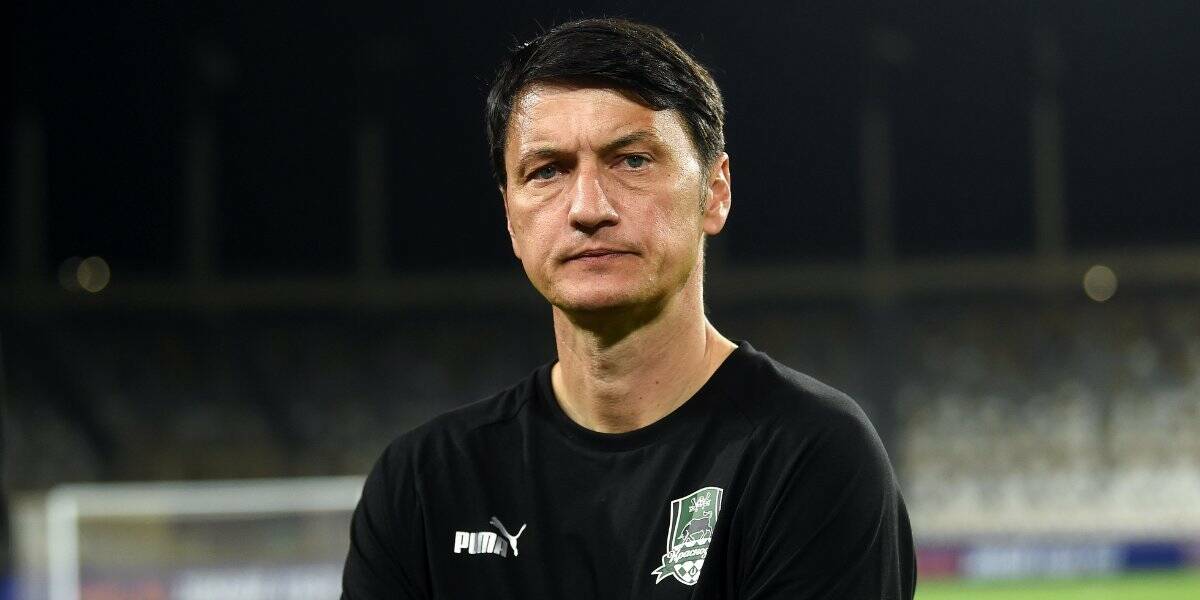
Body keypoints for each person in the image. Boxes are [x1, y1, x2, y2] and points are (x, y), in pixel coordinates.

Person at [343, 17, 916, 599]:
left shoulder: (811, 455)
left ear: (714, 192)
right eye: (547, 171)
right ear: (510, 216)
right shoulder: (421, 484)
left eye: (632, 160)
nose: (588, 208)